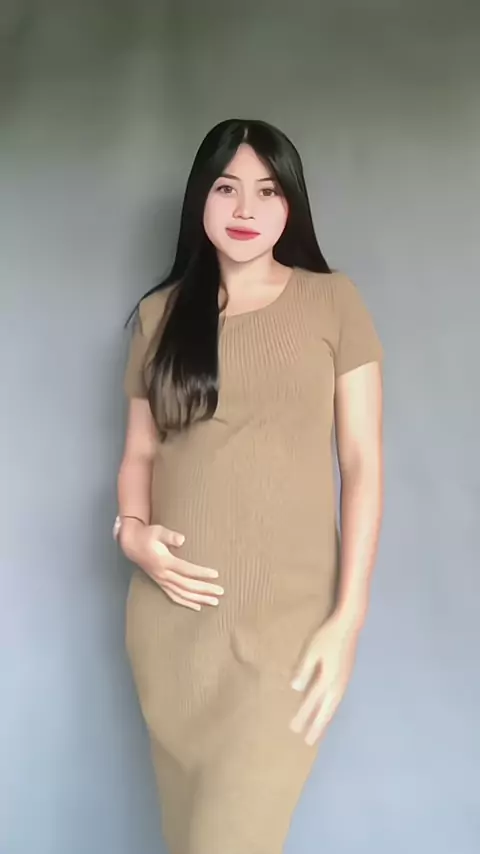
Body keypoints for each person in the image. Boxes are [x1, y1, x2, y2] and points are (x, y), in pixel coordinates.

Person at [115, 118, 384, 854]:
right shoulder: (159, 316)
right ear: (200, 197)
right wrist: (132, 532)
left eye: (268, 191)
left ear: (291, 204)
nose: (245, 209)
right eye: (226, 188)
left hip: (285, 631)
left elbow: (362, 461)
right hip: (172, 628)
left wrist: (347, 620)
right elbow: (139, 452)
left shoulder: (334, 302)